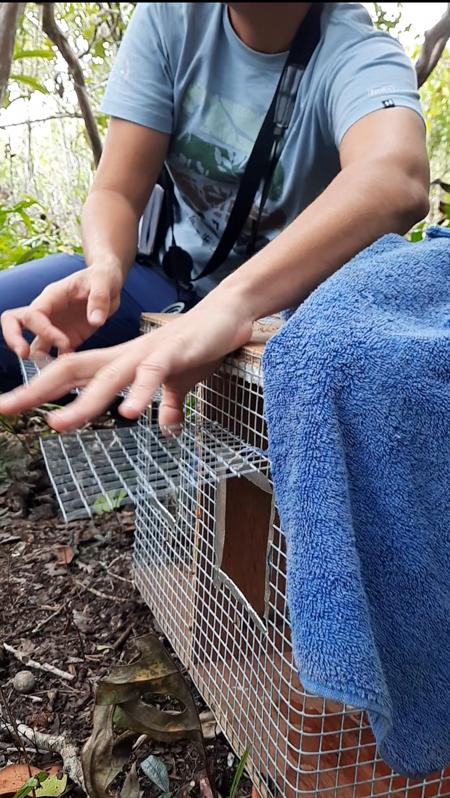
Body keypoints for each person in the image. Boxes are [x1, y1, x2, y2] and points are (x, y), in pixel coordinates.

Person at [0, 2, 429, 430]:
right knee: (14, 318)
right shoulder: (170, 20)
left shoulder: (358, 53)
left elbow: (396, 178)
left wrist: (231, 307)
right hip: (168, 277)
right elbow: (115, 191)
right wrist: (106, 266)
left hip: (282, 307)